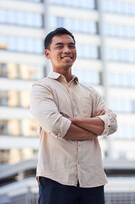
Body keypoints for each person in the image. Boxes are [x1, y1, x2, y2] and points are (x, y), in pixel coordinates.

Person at [30, 27, 117, 204]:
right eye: (59, 46)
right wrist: (94, 128)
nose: (67, 50)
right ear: (48, 53)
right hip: (56, 178)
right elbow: (55, 125)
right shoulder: (41, 88)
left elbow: (112, 124)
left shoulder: (91, 92)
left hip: (92, 179)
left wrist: (72, 120)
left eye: (71, 45)